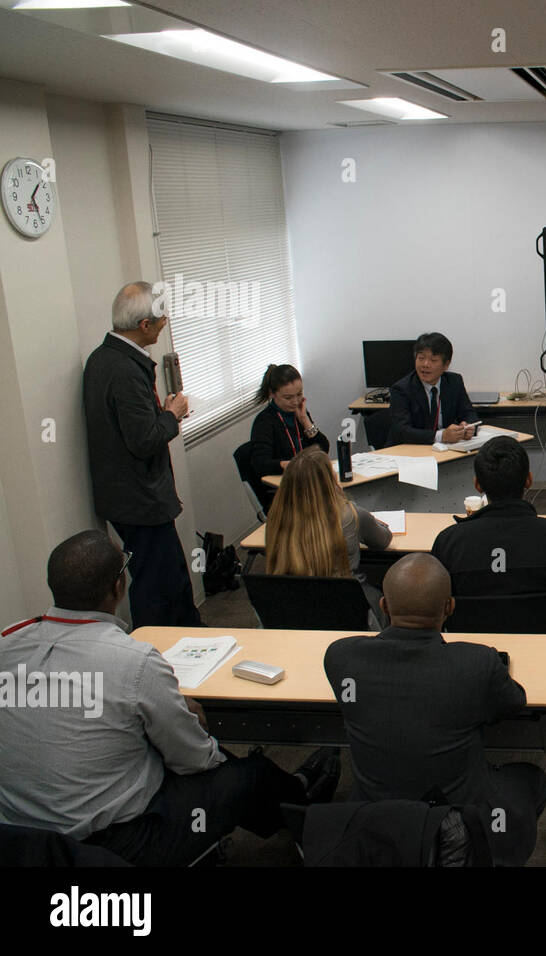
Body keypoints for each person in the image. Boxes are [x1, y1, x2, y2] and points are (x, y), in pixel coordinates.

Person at [0, 531, 337, 865]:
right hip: (117, 842)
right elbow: (194, 760)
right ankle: (307, 817)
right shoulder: (134, 661)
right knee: (249, 774)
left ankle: (289, 797)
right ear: (117, 587)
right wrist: (187, 719)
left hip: (22, 840)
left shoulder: (8, 644)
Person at [324, 553, 546, 866]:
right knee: (533, 780)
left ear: (384, 606)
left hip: (375, 814)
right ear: (449, 607)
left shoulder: (340, 657)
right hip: (456, 822)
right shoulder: (478, 663)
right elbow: (514, 703)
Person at [82, 280, 200, 628]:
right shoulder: (124, 370)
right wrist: (172, 414)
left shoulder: (103, 358)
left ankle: (191, 635)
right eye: (162, 321)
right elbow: (144, 441)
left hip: (129, 496)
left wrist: (160, 415)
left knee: (171, 573)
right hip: (140, 499)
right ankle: (160, 649)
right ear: (144, 325)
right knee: (157, 585)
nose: (165, 326)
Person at [432, 437, 546, 648]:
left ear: (477, 485)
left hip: (469, 665)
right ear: (529, 480)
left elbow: (431, 612)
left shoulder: (448, 543)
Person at [264, 449, 391, 623]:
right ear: (329, 481)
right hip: (347, 603)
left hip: (290, 604)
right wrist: (376, 522)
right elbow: (383, 540)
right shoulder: (350, 514)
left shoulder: (276, 518)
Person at [387, 332, 476, 445]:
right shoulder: (401, 389)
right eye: (421, 358)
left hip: (445, 449)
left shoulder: (454, 382)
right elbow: (401, 431)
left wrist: (468, 426)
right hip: (411, 450)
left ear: (446, 365)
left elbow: (469, 413)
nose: (425, 364)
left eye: (433, 360)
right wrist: (440, 436)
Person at [248, 363, 329, 483]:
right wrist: (288, 465)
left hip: (306, 479)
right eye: (288, 398)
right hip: (284, 486)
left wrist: (305, 420)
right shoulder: (264, 421)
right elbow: (260, 464)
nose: (295, 402)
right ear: (272, 393)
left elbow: (323, 449)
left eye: (299, 394)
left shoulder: (299, 413)